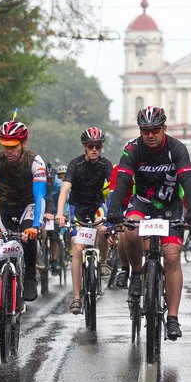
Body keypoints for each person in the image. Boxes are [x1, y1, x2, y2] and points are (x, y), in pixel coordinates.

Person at [107, 106, 191, 340]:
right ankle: (137, 274)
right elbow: (122, 182)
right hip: (143, 204)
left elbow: (187, 181)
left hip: (170, 206)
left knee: (171, 256)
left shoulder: (176, 148)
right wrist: (114, 210)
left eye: (155, 130)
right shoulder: (132, 149)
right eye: (145, 130)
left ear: (164, 129)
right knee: (130, 232)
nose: (150, 135)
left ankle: (172, 318)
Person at [0, 121, 46, 340]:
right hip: (1, 207)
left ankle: (29, 274)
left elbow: (40, 197)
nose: (8, 151)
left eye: (13, 146)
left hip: (27, 205)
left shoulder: (35, 162)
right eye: (5, 146)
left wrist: (36, 226)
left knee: (28, 236)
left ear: (24, 144)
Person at [55, 127, 113, 314]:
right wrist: (59, 213)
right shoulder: (75, 164)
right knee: (78, 248)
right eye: (90, 146)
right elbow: (64, 189)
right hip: (77, 209)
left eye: (98, 146)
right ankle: (77, 298)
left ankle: (103, 262)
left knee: (104, 230)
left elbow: (113, 190)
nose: (94, 149)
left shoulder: (106, 165)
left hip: (96, 206)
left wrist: (115, 213)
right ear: (84, 147)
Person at [40, 164, 63, 274]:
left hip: (55, 213)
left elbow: (64, 201)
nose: (49, 182)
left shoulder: (59, 185)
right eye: (47, 179)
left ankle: (54, 260)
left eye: (51, 179)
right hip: (41, 213)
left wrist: (61, 214)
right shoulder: (40, 184)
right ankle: (40, 253)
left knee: (54, 235)